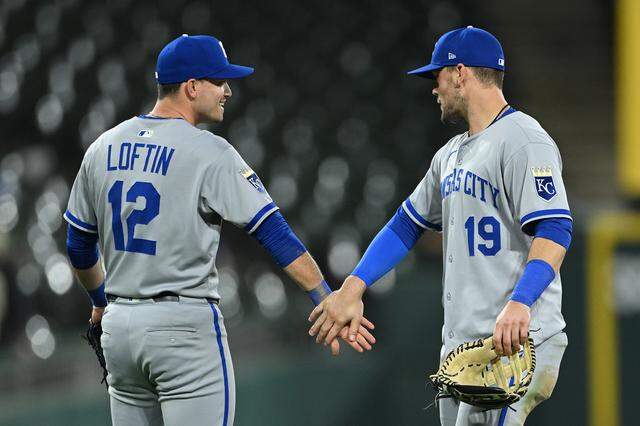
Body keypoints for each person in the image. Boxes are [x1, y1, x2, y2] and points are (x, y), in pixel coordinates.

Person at [64, 34, 375, 426]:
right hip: (183, 330)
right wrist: (325, 296)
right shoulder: (210, 151)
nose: (227, 90)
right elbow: (274, 235)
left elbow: (78, 245)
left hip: (120, 329)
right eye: (219, 80)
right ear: (192, 87)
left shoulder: (102, 146)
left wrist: (99, 301)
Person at [308, 26, 571, 425]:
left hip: (516, 340)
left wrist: (521, 302)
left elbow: (555, 231)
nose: (435, 88)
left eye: (438, 76)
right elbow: (405, 225)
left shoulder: (524, 139)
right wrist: (354, 285)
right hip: (463, 347)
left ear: (461, 73)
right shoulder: (448, 155)